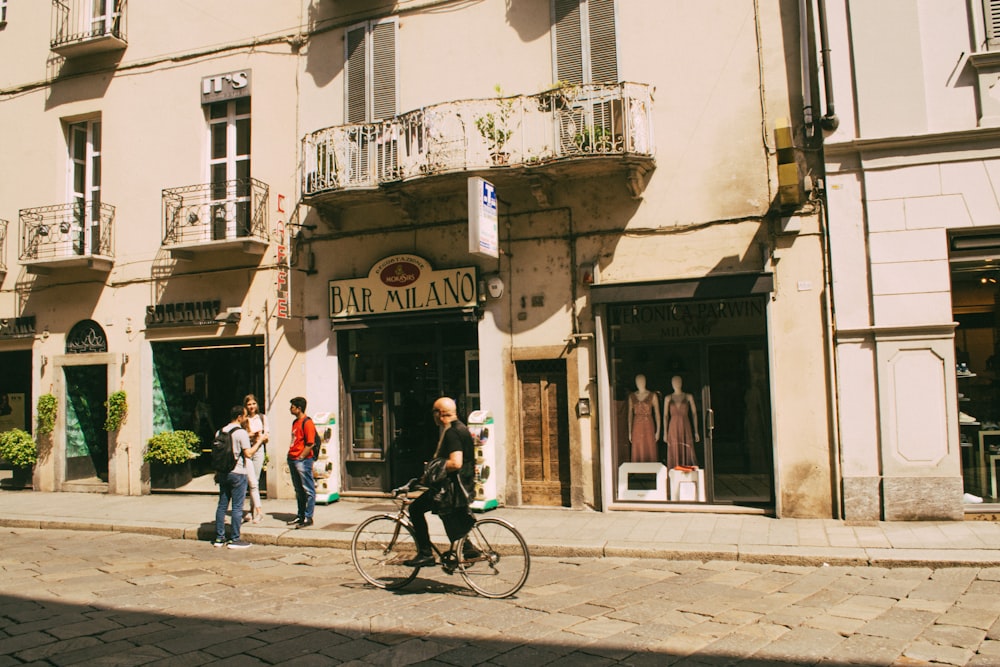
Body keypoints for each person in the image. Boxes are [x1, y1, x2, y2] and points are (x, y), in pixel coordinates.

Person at [404, 397, 476, 567]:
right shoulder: (461, 428)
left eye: (433, 412)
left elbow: (456, 462)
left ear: (440, 413)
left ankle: (425, 553)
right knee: (449, 516)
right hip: (459, 487)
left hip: (451, 490)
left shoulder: (452, 432)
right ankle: (468, 548)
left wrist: (431, 469)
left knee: (415, 509)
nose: (433, 417)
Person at [213, 405, 255, 549]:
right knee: (237, 507)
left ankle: (219, 538)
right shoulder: (241, 433)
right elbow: (248, 453)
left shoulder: (220, 431)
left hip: (223, 472)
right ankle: (235, 539)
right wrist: (260, 441)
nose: (246, 418)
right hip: (238, 473)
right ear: (239, 417)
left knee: (222, 505)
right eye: (244, 416)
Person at [286, 396, 317, 528]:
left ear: (299, 408)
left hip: (302, 460)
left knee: (308, 489)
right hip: (293, 458)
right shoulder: (295, 422)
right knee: (298, 489)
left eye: (292, 406)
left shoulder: (307, 422)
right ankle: (300, 515)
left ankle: (308, 517)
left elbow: (310, 443)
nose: (290, 409)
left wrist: (301, 457)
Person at [243, 394, 269, 524]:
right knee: (251, 482)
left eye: (253, 404)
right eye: (249, 404)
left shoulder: (262, 417)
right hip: (247, 450)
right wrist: (251, 435)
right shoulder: (244, 420)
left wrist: (262, 437)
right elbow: (242, 435)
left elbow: (267, 436)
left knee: (255, 481)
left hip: (258, 451)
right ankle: (253, 510)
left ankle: (253, 511)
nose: (252, 406)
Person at [664, 375, 699, 469]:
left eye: (678, 381)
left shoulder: (688, 397)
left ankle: (687, 470)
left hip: (685, 425)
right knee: (674, 447)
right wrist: (665, 433)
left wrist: (696, 432)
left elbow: (694, 413)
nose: (676, 384)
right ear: (671, 384)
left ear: (682, 383)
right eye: (674, 382)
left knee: (687, 446)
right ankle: (674, 470)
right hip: (673, 427)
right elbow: (665, 416)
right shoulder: (668, 398)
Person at [627, 374, 660, 463]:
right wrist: (629, 432)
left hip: (648, 424)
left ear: (645, 382)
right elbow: (629, 416)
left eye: (642, 381)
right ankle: (637, 472)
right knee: (638, 447)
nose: (640, 383)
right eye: (638, 381)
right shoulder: (632, 396)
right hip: (636, 425)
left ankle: (651, 471)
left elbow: (657, 414)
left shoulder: (653, 396)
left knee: (649, 446)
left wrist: (658, 431)